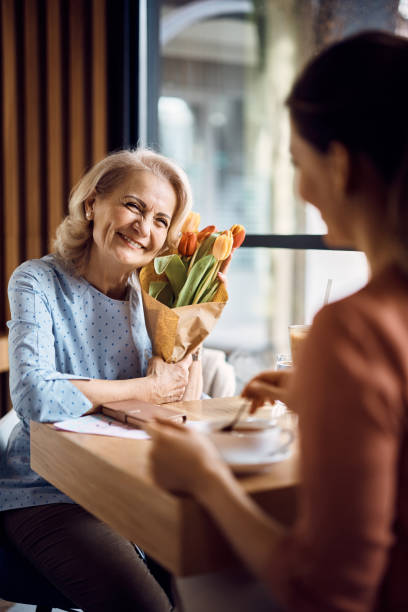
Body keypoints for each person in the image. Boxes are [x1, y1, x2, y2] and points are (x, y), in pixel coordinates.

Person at [147, 31, 408, 612]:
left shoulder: (354, 331)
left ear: (339, 165)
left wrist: (204, 476)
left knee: (205, 586)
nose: (297, 187)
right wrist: (323, 399)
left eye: (297, 161)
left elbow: (326, 595)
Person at [0, 148, 203, 611]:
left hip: (137, 488)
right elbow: (35, 395)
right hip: (46, 490)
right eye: (133, 205)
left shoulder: (157, 303)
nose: (144, 227)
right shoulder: (37, 282)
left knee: (226, 585)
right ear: (92, 205)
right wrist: (145, 389)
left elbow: (181, 413)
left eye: (160, 219)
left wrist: (189, 342)